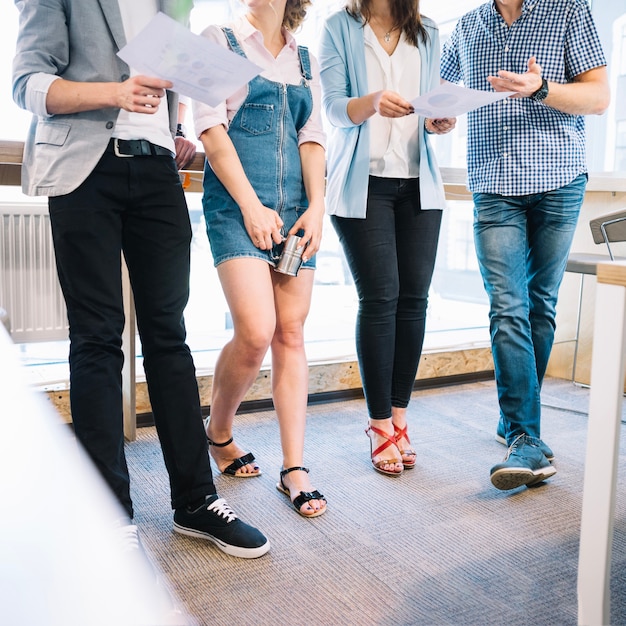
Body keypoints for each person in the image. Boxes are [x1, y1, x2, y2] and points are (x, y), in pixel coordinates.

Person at [12, 0, 270, 558]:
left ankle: (196, 502)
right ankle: (107, 512)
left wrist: (173, 125)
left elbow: (169, 82)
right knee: (98, 338)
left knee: (168, 339)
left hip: (157, 170)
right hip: (85, 169)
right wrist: (113, 92)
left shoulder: (171, 3)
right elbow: (27, 83)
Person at [440, 0, 610, 490]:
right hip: (494, 184)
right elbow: (449, 97)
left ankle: (516, 420)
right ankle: (525, 436)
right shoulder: (468, 26)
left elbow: (598, 97)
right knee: (507, 306)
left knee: (539, 305)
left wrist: (541, 88)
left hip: (559, 178)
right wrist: (439, 119)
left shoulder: (568, 11)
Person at [194, 0, 327, 517]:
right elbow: (210, 129)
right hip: (235, 207)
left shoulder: (306, 59)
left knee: (290, 332)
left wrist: (317, 208)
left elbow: (312, 139)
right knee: (254, 332)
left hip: (296, 212)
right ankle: (218, 431)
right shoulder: (216, 39)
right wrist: (251, 207)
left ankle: (294, 468)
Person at [319, 0, 455, 476]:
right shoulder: (341, 26)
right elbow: (333, 109)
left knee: (414, 300)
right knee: (381, 299)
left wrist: (439, 121)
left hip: (419, 181)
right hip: (364, 185)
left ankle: (400, 420)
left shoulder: (429, 30)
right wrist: (373, 101)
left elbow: (434, 106)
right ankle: (379, 426)